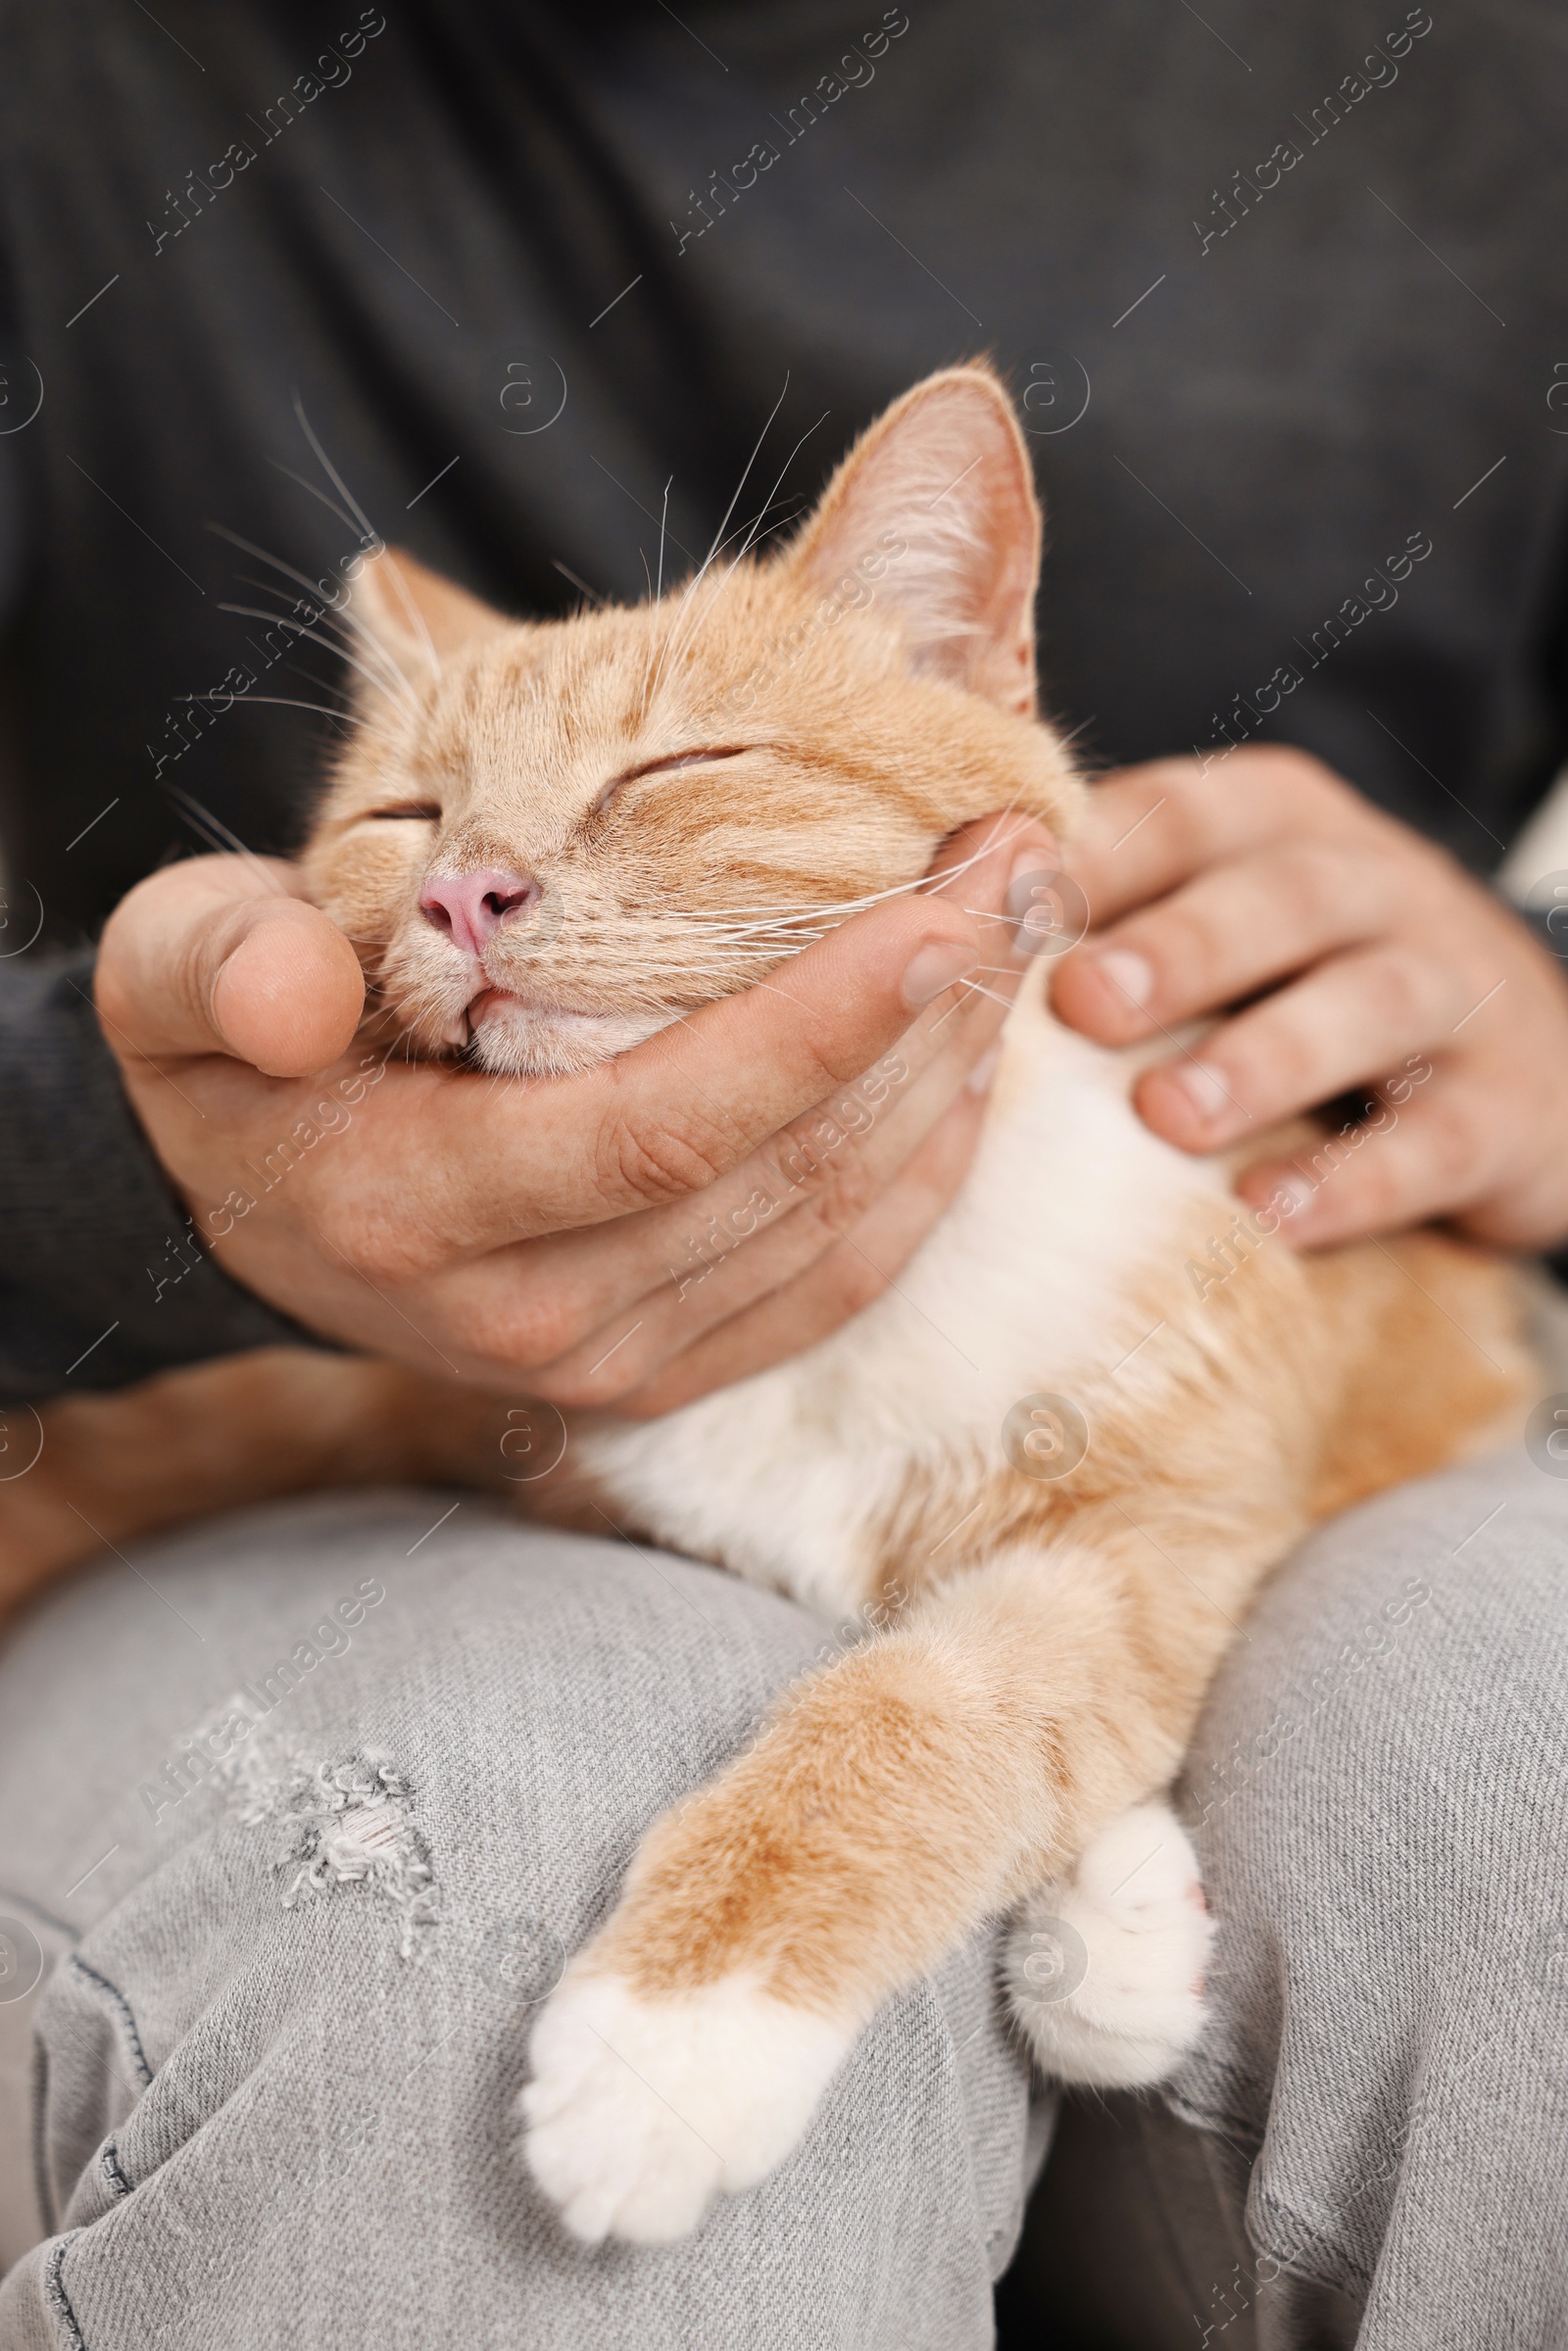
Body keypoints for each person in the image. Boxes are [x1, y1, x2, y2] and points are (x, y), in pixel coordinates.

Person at [1, 2, 1566, 2340]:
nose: (485, 883)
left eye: (654, 796)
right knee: (489, 1836)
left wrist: (1546, 1013)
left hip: (1287, 1279)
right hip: (341, 1397)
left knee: (1510, 1759)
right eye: (421, 826)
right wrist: (123, 1178)